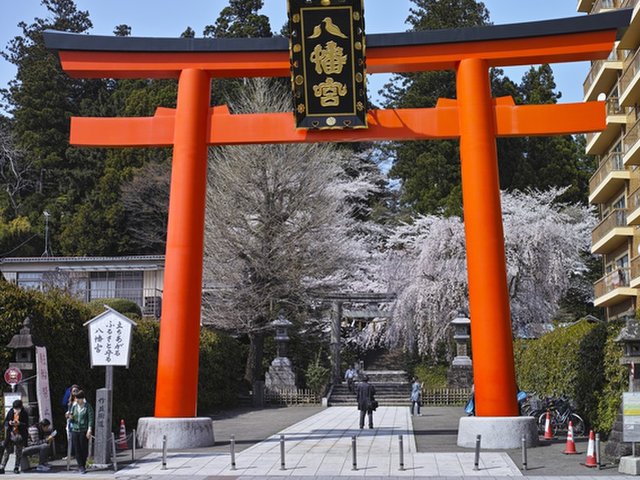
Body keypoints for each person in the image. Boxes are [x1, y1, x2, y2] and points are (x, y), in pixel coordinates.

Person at [66, 390, 93, 474]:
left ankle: (83, 464)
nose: (77, 400)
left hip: (83, 430)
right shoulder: (74, 406)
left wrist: (89, 429)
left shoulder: (87, 406)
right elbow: (72, 417)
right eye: (76, 398)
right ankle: (80, 466)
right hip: (74, 429)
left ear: (82, 399)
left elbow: (90, 418)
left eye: (78, 398)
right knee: (77, 448)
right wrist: (69, 417)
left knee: (83, 448)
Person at [1, 399, 29, 474]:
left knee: (18, 452)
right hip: (11, 434)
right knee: (7, 451)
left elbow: (26, 425)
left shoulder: (24, 413)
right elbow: (6, 421)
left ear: (21, 407)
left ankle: (16, 467)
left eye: (17, 409)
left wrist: (19, 423)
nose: (16, 410)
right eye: (15, 408)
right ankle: (2, 466)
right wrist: (9, 422)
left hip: (20, 435)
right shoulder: (11, 412)